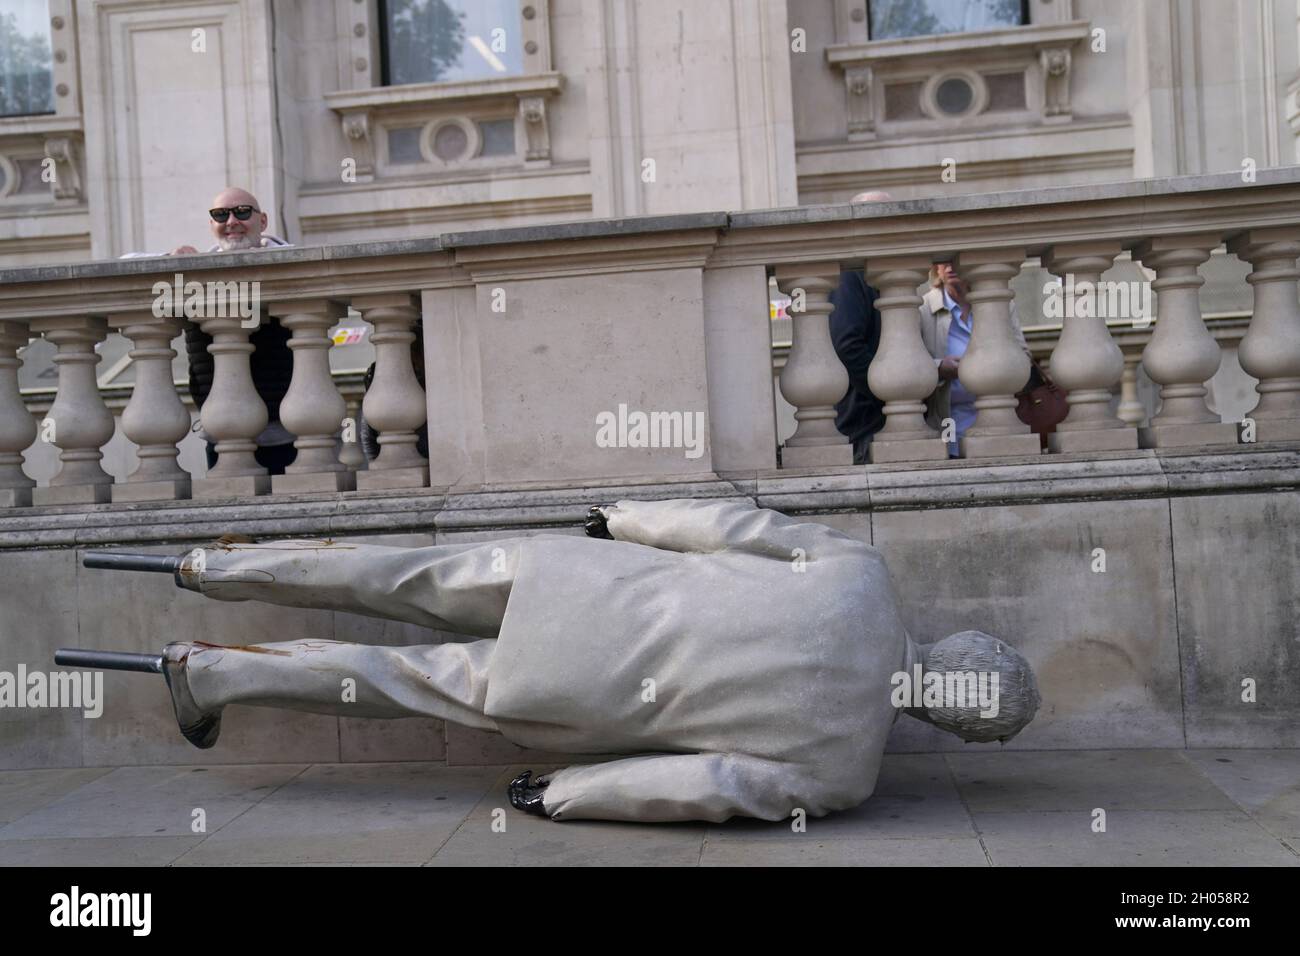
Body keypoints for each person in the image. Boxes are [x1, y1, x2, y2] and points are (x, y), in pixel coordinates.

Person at [70, 497, 1041, 824]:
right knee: (391, 678)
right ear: (955, 720)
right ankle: (209, 672)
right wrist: (567, 793)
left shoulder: (859, 574)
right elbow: (705, 785)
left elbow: (732, 525)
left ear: (966, 650)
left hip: (567, 577)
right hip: (571, 694)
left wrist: (619, 517)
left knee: (388, 569)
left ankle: (208, 564)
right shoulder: (842, 771)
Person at [123, 187, 299, 474]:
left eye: (242, 212)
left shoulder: (289, 262)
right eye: (220, 215)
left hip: (289, 431)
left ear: (263, 221)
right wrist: (168, 258)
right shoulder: (196, 271)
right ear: (211, 224)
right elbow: (123, 265)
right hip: (221, 431)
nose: (231, 221)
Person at [920, 261, 1031, 456]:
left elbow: (1023, 355)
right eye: (944, 262)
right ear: (936, 269)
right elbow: (911, 365)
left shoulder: (1002, 304)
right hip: (948, 421)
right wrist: (940, 368)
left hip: (999, 419)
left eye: (956, 261)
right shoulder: (924, 308)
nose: (950, 267)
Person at [829, 190, 892, 464]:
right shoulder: (851, 275)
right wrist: (888, 393)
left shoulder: (881, 273)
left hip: (880, 423)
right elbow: (847, 345)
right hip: (863, 426)